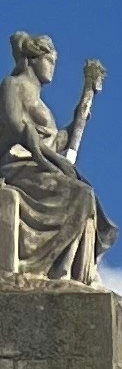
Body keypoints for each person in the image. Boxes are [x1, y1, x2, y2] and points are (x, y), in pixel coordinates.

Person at [0, 37, 112, 284]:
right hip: (19, 167)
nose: (53, 66)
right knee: (79, 194)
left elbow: (57, 141)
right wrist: (55, 161)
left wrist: (80, 113)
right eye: (49, 60)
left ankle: (68, 269)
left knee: (85, 195)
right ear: (32, 59)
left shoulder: (42, 104)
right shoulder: (12, 85)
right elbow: (19, 128)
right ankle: (56, 270)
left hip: (41, 167)